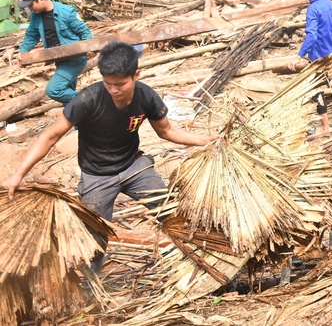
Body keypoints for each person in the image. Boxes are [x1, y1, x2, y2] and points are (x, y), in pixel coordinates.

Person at [1, 41, 219, 275]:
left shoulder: (146, 96)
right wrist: (18, 175)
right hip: (97, 176)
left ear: (136, 74)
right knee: (95, 238)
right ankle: (90, 289)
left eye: (120, 84)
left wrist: (205, 140)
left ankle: (202, 264)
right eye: (108, 83)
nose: (113, 89)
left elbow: (167, 131)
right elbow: (49, 137)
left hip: (134, 166)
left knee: (170, 212)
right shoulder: (88, 99)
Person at [287, 0, 332, 135]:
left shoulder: (313, 9)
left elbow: (312, 35)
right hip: (331, 49)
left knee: (316, 89)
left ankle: (325, 126)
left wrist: (299, 56)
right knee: (323, 77)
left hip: (318, 52)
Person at [17, 0, 93, 105]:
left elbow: (85, 32)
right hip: (59, 60)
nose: (30, 8)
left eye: (31, 5)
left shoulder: (66, 12)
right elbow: (32, 35)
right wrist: (23, 52)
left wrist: (89, 48)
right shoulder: (36, 17)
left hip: (75, 60)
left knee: (54, 90)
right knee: (69, 102)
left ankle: (93, 99)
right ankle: (81, 122)